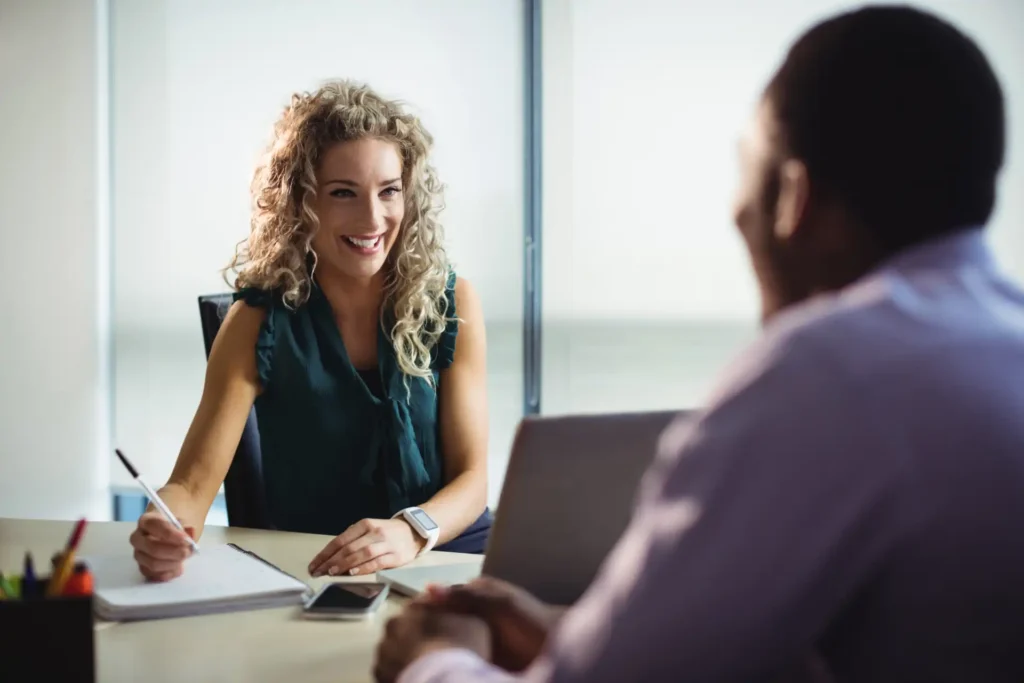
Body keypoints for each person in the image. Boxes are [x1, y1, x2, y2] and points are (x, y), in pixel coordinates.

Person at [374, 5, 1024, 682]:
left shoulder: (827, 372)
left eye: (746, 166)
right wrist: (573, 637)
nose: (735, 209)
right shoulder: (1000, 342)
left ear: (791, 195)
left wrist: (433, 661)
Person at [129, 81, 492, 582]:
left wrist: (410, 531)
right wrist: (161, 525)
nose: (372, 219)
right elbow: (190, 487)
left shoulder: (452, 301)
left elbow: (473, 482)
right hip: (322, 570)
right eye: (343, 193)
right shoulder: (256, 321)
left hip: (445, 552)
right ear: (302, 202)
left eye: (389, 191)